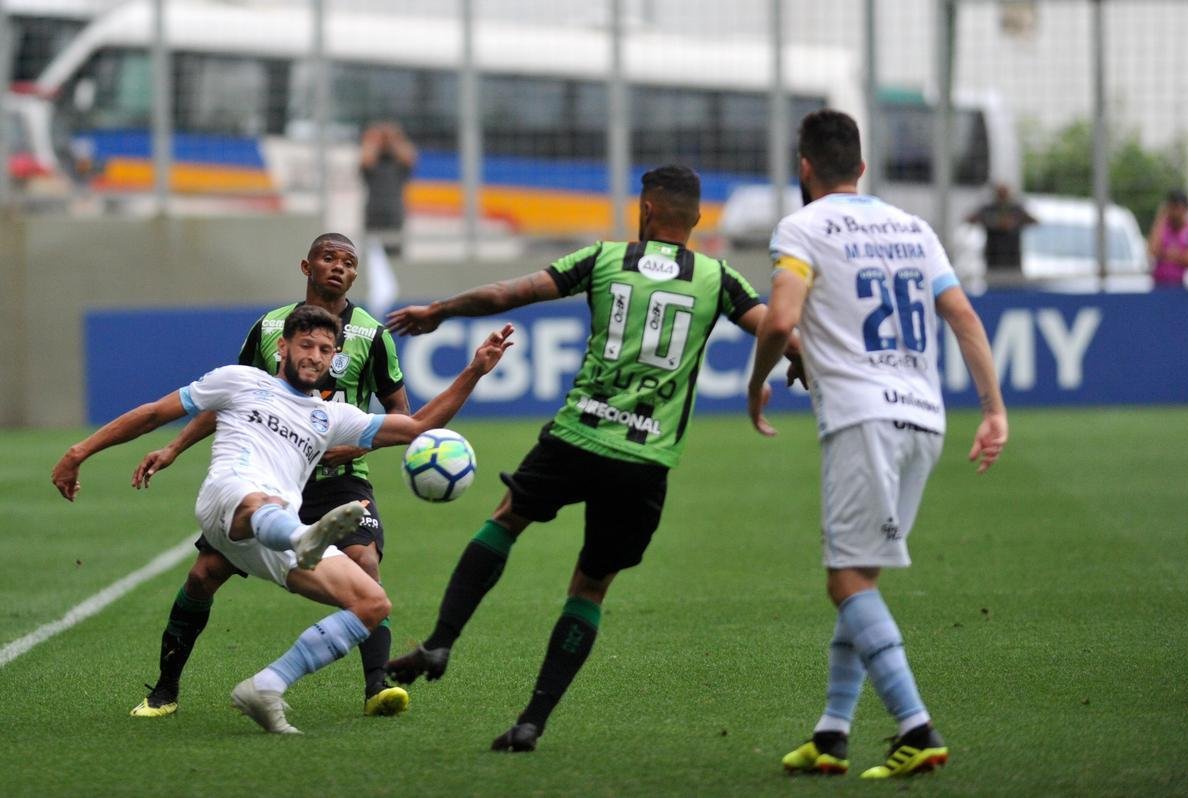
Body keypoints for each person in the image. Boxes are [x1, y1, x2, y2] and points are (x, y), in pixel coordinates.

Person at [383, 165, 801, 752]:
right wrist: (788, 368)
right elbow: (780, 331)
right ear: (697, 219)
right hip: (645, 458)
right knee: (590, 586)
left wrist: (442, 311)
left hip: (578, 435)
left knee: (507, 518)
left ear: (647, 209)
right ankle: (532, 721)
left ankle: (443, 639)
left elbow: (510, 294)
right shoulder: (719, 279)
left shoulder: (606, 259)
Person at [51, 305, 514, 734]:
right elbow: (154, 413)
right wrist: (78, 452)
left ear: (334, 359)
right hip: (228, 501)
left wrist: (474, 370)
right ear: (283, 348)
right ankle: (299, 540)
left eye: (325, 350)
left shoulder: (330, 416)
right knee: (256, 508)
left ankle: (268, 685)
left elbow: (415, 427)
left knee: (372, 604)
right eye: (306, 346)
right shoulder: (238, 380)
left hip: (276, 533)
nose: (315, 357)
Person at [747, 110, 1007, 779]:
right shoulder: (913, 227)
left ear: (804, 167)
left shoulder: (802, 227)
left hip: (863, 420)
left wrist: (757, 384)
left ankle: (915, 726)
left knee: (844, 579)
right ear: (861, 166)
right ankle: (831, 735)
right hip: (925, 418)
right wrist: (993, 410)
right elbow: (963, 316)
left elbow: (780, 317)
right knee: (860, 575)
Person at [127, 233, 416, 720]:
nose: (339, 268)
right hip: (270, 474)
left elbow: (400, 413)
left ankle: (377, 687)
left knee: (364, 564)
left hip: (340, 476)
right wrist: (174, 446)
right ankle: (164, 691)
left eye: (349, 262)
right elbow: (230, 397)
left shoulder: (372, 334)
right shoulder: (271, 327)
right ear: (307, 265)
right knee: (203, 576)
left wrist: (324, 449)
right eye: (329, 258)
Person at [361, 122, 418, 258]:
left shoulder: (398, 162)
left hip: (394, 213)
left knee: (395, 255)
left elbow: (408, 157)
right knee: (371, 254)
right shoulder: (373, 160)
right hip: (374, 213)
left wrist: (395, 138)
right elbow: (365, 159)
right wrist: (374, 139)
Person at [965, 182, 1036, 273]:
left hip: (1013, 259)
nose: (1003, 196)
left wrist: (1015, 222)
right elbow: (970, 219)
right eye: (1000, 193)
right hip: (994, 258)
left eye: (1005, 193)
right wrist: (994, 222)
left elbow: (1034, 221)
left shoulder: (1016, 209)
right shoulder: (989, 209)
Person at [1147, 189, 1188, 288]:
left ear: (1186, 208)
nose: (1176, 213)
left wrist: (1166, 254)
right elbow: (1152, 251)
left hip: (1182, 287)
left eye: (1178, 208)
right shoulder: (1163, 228)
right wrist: (1161, 218)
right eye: (1172, 208)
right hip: (1159, 285)